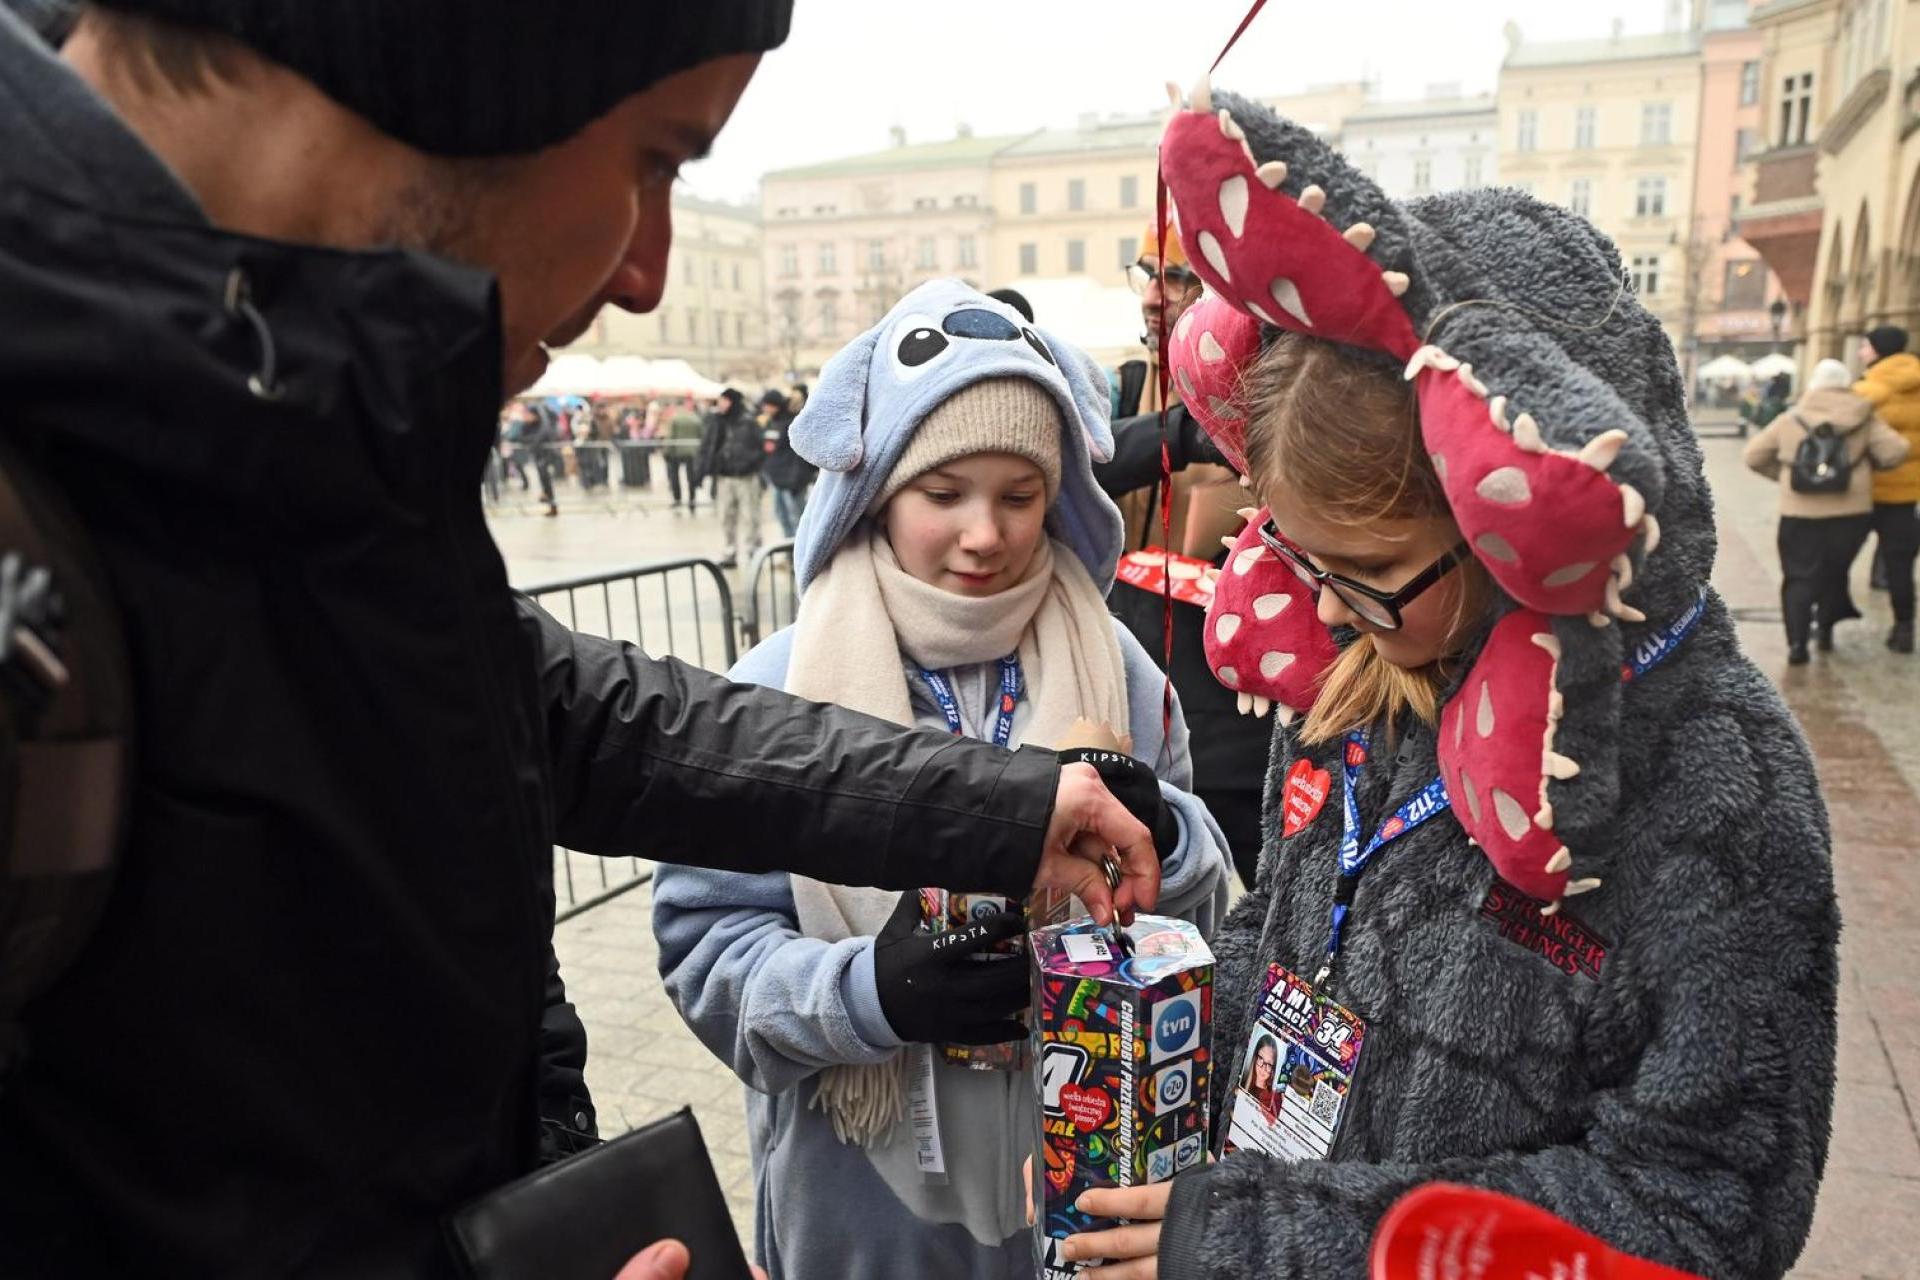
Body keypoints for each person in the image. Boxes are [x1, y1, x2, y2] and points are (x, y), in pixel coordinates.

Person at [0, 6, 1169, 1276]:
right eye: (655, 159)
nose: (645, 268)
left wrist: (1003, 805)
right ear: (467, 70)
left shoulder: (259, 391)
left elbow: (580, 714)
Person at [1062, 87, 1836, 1280]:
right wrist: (1149, 1108)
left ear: (1503, 523)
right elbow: (1286, 944)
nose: (1322, 609)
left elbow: (1704, 1205)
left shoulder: (1713, 780)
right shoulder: (1360, 673)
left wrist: (1285, 1241)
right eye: (1299, 557)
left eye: (1367, 572)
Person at [652, 280, 1229, 1280]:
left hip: (1086, 1195)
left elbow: (1208, 906)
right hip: (866, 1220)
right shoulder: (773, 687)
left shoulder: (1125, 669)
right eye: (943, 493)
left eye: (1019, 496)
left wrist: (1165, 836)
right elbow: (707, 953)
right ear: (877, 489)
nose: (984, 535)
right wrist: (870, 991)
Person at [1744, 358, 1909, 663]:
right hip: (1851, 514)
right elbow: (1896, 451)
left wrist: (1786, 477)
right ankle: (1825, 634)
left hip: (1799, 514)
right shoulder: (1863, 415)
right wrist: (1863, 470)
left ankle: (1796, 645)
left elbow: (1753, 455)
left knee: (1798, 577)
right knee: (1834, 573)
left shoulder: (1792, 417)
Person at [1854, 324, 1920, 653]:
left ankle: (1821, 625)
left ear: (1878, 350)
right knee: (1901, 566)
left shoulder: (1869, 390)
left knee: (1833, 559)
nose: (1860, 352)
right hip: (1906, 494)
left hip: (1863, 492)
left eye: (1865, 347)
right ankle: (1904, 628)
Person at [698, 385, 765, 566]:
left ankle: (753, 550)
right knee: (726, 516)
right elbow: (708, 445)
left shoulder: (748, 422)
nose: (721, 404)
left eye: (724, 400)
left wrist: (750, 462)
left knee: (750, 515)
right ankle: (730, 551)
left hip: (746, 477)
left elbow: (761, 448)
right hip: (724, 476)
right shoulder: (717, 421)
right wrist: (703, 470)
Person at [759, 385, 815, 538]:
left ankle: (800, 558)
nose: (765, 408)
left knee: (797, 519)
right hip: (777, 480)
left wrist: (797, 479)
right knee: (782, 517)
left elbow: (799, 455)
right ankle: (789, 554)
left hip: (792, 481)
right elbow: (770, 450)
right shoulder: (771, 423)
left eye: (768, 405)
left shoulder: (792, 423)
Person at [665, 395, 706, 511]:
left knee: (675, 477)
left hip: (677, 451)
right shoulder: (696, 418)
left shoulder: (675, 418)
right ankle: (692, 499)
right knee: (691, 477)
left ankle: (677, 499)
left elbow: (671, 436)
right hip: (692, 451)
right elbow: (701, 435)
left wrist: (667, 451)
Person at [1237, 1033, 1281, 1121]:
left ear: (1273, 1068)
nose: (1263, 1067)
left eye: (1269, 1064)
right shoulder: (1240, 1080)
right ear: (1255, 1057)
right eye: (1261, 1058)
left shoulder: (1274, 1097)